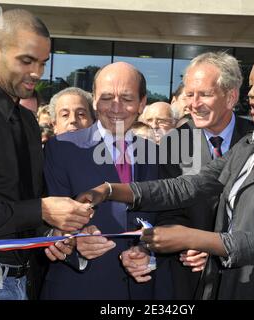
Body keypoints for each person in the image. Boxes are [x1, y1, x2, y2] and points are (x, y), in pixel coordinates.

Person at [79, 44, 254, 300]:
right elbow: (189, 186)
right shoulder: (252, 143)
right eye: (251, 85)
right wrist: (112, 190)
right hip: (231, 285)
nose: (250, 94)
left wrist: (197, 239)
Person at [0, 9, 92, 300]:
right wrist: (42, 211)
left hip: (21, 280)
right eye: (26, 60)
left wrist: (50, 234)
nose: (37, 72)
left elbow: (20, 201)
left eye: (43, 62)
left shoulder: (26, 121)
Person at [120, 51, 254, 299]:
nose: (194, 104)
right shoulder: (174, 143)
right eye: (189, 94)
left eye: (204, 94)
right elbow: (169, 208)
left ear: (231, 96)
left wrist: (216, 246)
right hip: (190, 280)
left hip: (248, 277)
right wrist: (189, 241)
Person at [40, 62, 169, 299]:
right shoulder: (61, 148)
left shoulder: (155, 153)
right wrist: (74, 241)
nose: (116, 108)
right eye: (107, 97)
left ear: (142, 103)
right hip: (79, 288)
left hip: (141, 291)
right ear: (94, 100)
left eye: (127, 98)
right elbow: (45, 219)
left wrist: (147, 251)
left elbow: (163, 217)